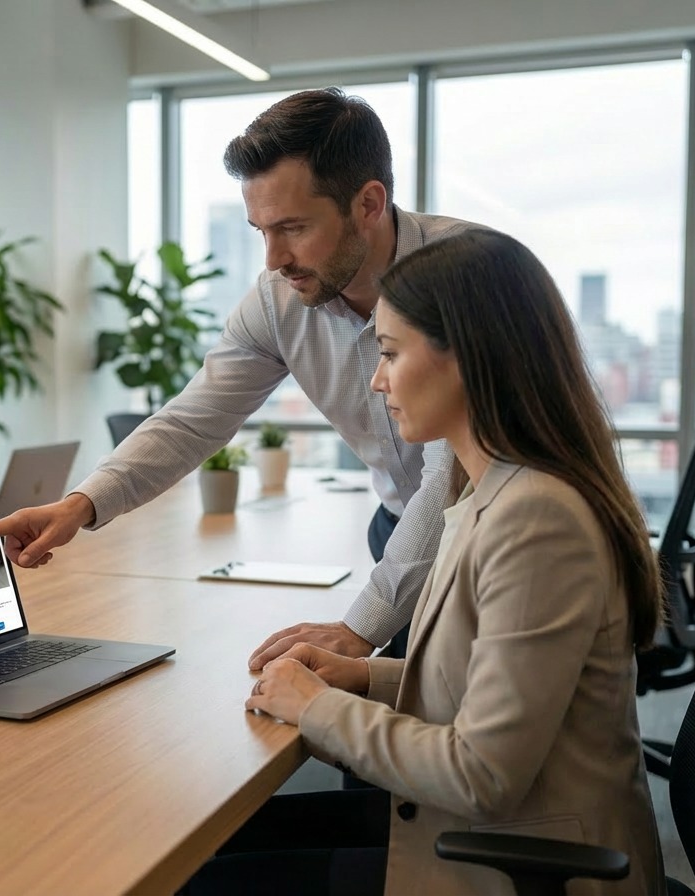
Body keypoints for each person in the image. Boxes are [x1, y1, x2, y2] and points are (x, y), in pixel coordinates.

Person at [183, 230, 667, 895]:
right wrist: (359, 675)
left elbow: (483, 775)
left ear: (467, 358)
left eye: (389, 352)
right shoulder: (488, 491)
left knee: (206, 881)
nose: (378, 380)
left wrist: (318, 707)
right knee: (219, 854)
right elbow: (488, 680)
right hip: (496, 835)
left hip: (517, 861)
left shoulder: (536, 519)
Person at [0, 87, 483, 664]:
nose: (273, 259)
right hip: (397, 528)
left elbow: (453, 473)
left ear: (367, 203)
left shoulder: (470, 275)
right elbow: (193, 420)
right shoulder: (279, 300)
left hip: (492, 534)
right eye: (260, 230)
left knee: (417, 721)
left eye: (292, 227)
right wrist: (81, 504)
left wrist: (359, 627)